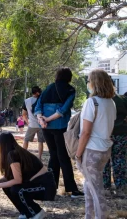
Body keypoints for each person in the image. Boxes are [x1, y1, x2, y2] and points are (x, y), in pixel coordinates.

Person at [34, 67, 83, 198]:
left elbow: (38, 107)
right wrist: (48, 119)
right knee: (63, 157)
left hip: (46, 127)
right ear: (69, 77)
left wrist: (42, 120)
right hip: (60, 127)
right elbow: (64, 109)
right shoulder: (70, 90)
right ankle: (72, 190)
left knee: (53, 156)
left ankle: (50, 188)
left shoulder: (48, 88)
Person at [75, 69, 116, 219]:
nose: (88, 83)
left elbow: (85, 133)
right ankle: (89, 215)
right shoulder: (111, 103)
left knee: (96, 189)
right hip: (105, 150)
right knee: (89, 185)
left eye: (89, 80)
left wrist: (78, 154)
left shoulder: (91, 102)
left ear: (95, 83)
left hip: (92, 151)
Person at [0, 132, 56, 219]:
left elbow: (17, 180)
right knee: (7, 187)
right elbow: (9, 178)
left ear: (2, 144)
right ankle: (25, 212)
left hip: (46, 187)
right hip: (37, 184)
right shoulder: (14, 153)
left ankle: (36, 212)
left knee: (16, 189)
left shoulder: (13, 155)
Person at [103, 92, 127, 194]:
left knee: (104, 161)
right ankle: (121, 187)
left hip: (105, 133)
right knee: (120, 161)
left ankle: (105, 186)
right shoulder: (122, 99)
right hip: (122, 133)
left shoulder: (101, 100)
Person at [22, 86, 45, 160]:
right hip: (41, 124)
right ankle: (40, 157)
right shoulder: (42, 100)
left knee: (26, 140)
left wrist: (27, 122)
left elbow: (24, 114)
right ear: (38, 92)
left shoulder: (26, 101)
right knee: (40, 141)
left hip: (32, 124)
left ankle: (23, 155)